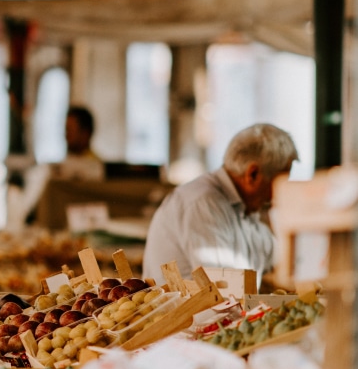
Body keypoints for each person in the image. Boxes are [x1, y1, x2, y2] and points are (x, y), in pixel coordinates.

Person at [142, 123, 298, 285]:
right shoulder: (203, 204)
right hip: (186, 310)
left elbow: (278, 257)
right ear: (253, 174)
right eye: (279, 183)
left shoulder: (244, 209)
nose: (278, 195)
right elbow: (226, 289)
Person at [52, 105, 104, 182]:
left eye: (70, 130)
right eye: (66, 130)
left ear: (85, 134)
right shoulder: (65, 164)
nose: (66, 136)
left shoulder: (96, 168)